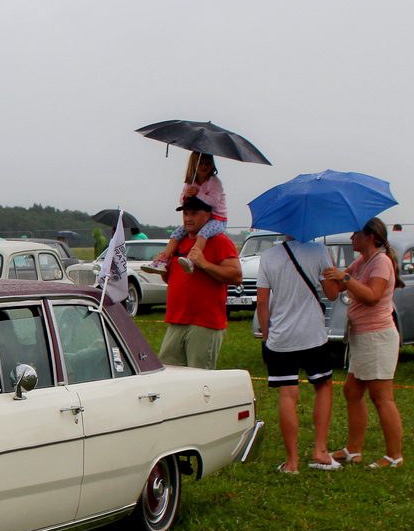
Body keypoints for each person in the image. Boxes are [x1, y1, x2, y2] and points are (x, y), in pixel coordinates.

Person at [323, 218, 405, 468]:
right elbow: (338, 286)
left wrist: (346, 279)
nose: (351, 239)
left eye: (355, 234)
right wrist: (329, 265)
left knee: (382, 397)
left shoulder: (381, 262)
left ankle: (394, 457)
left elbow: (372, 296)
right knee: (352, 391)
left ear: (370, 237)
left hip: (377, 337)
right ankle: (353, 450)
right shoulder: (362, 261)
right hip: (362, 336)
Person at [256, 235, 341, 472]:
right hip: (313, 334)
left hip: (281, 338)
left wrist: (266, 336)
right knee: (323, 386)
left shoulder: (269, 256)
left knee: (287, 396)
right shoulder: (319, 250)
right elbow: (332, 294)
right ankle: (320, 451)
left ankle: (291, 462)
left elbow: (262, 301)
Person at [157, 196, 242, 369]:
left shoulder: (219, 240)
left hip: (205, 323)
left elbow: (236, 276)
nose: (188, 218)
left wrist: (203, 263)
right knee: (169, 375)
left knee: (199, 378)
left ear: (208, 215)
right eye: (186, 213)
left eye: (194, 213)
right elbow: (172, 280)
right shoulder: (178, 242)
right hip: (176, 319)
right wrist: (163, 269)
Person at [144, 153, 228, 274]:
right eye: (201, 163)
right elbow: (182, 201)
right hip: (201, 219)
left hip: (218, 219)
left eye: (208, 163)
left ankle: (191, 259)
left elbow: (214, 201)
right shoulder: (191, 182)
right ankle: (163, 260)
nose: (204, 167)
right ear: (194, 165)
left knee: (204, 232)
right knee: (177, 232)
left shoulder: (214, 182)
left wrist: (197, 193)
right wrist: (186, 196)